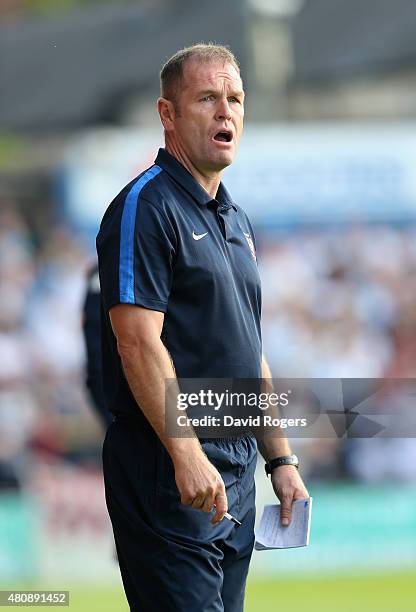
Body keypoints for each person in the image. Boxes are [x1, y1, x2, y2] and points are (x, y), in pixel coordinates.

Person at [96, 43, 308, 612]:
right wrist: (187, 454)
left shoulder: (234, 218)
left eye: (235, 99)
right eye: (207, 98)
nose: (226, 112)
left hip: (236, 468)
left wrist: (280, 461)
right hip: (169, 469)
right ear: (168, 114)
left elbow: (249, 349)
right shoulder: (146, 206)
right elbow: (136, 341)